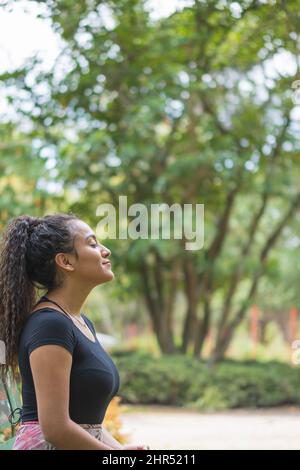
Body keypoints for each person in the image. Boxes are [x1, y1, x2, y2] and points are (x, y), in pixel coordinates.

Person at [0, 213, 150, 450]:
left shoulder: (80, 323)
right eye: (92, 244)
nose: (105, 250)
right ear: (66, 262)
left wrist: (120, 451)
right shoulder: (49, 325)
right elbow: (56, 429)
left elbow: (87, 424)